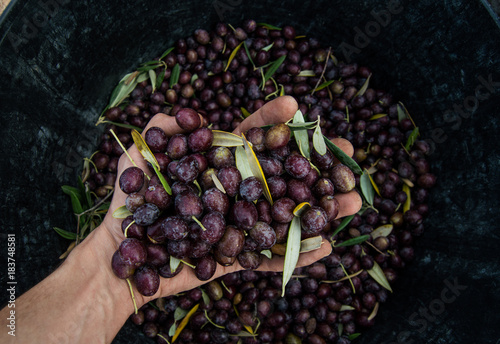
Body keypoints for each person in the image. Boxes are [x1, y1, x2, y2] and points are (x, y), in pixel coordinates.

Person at [0, 96, 361, 343]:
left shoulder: (246, 201)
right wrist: (106, 278)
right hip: (194, 218)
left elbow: (247, 204)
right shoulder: (178, 206)